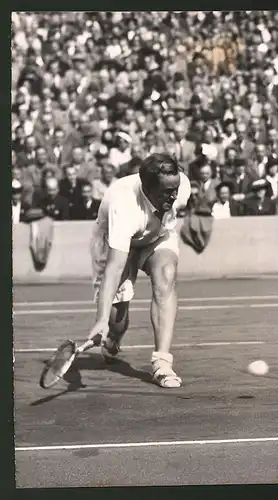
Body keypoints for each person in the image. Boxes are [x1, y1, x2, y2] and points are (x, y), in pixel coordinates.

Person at [88, 153, 191, 388]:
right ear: (146, 188)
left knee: (166, 275)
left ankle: (162, 362)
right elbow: (114, 268)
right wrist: (102, 319)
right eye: (166, 192)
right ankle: (113, 337)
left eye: (174, 188)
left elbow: (171, 206)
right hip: (115, 245)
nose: (173, 196)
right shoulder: (123, 205)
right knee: (117, 319)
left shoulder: (181, 187)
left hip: (156, 236)